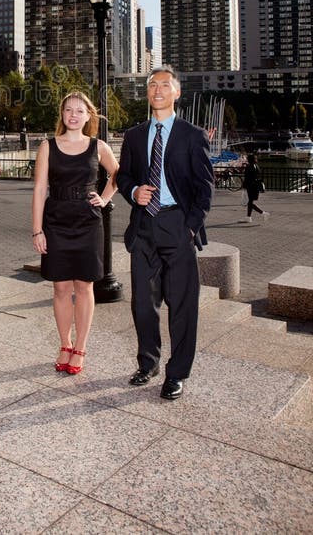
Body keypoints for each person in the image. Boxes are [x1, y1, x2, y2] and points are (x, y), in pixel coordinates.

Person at [117, 66, 214, 401]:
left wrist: (190, 227)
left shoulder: (193, 135)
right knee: (143, 303)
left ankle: (177, 373)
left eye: (164, 85)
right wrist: (133, 193)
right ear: (147, 93)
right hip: (143, 226)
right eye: (152, 85)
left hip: (177, 226)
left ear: (176, 92)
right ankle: (148, 363)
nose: (157, 90)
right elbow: (124, 177)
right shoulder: (133, 135)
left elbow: (205, 190)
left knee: (183, 306)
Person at [31, 92, 119, 376]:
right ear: (62, 114)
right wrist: (37, 230)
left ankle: (80, 347)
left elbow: (119, 174)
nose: (73, 115)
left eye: (79, 111)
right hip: (55, 222)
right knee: (60, 287)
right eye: (68, 109)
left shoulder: (98, 147)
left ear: (88, 116)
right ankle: (64, 344)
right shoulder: (47, 146)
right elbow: (40, 190)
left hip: (88, 224)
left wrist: (105, 199)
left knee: (84, 287)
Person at [242, 153, 269, 223]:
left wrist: (244, 186)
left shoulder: (248, 167)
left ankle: (263, 213)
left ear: (249, 160)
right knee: (250, 202)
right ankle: (248, 217)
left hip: (250, 186)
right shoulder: (256, 166)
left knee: (249, 202)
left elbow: (247, 178)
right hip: (255, 186)